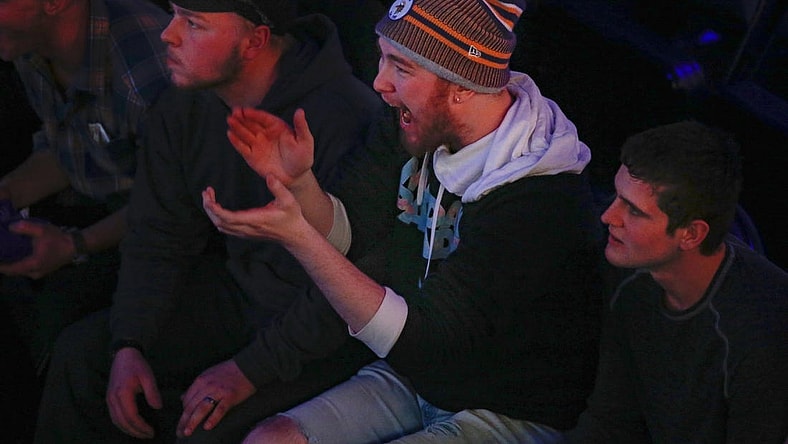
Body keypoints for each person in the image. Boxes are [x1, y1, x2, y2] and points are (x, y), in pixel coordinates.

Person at [202, 0, 605, 442]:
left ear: (462, 86)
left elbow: (423, 340)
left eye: (402, 67)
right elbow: (352, 235)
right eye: (382, 58)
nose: (380, 83)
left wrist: (298, 237)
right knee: (270, 439)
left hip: (509, 408)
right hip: (416, 380)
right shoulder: (411, 125)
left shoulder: (539, 199)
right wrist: (300, 184)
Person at [35, 0, 381, 442]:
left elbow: (358, 285)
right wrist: (131, 341)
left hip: (326, 333)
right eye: (174, 14)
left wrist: (249, 371)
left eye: (194, 23)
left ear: (254, 41)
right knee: (84, 360)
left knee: (204, 428)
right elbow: (158, 234)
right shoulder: (185, 105)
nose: (168, 34)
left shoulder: (348, 117)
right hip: (237, 296)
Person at [0, 0, 170, 440]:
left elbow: (177, 203)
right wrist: (7, 193)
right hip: (102, 207)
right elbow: (71, 152)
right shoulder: (31, 50)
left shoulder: (147, 67)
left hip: (166, 237)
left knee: (66, 339)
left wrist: (75, 246)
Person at [564, 121, 788, 443]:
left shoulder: (761, 335)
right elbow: (611, 418)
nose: (608, 216)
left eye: (634, 211)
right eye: (617, 196)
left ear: (691, 234)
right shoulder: (630, 275)